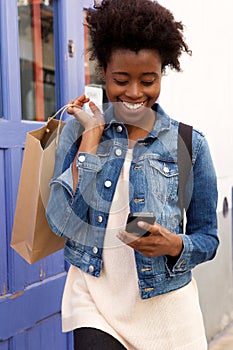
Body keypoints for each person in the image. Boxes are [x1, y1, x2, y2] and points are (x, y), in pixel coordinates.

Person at [46, 0, 219, 349]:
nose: (135, 93)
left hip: (167, 307)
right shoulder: (78, 133)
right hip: (94, 300)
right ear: (103, 72)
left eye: (148, 80)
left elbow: (208, 238)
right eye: (121, 80)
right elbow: (62, 223)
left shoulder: (189, 143)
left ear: (163, 72)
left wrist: (173, 245)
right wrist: (92, 137)